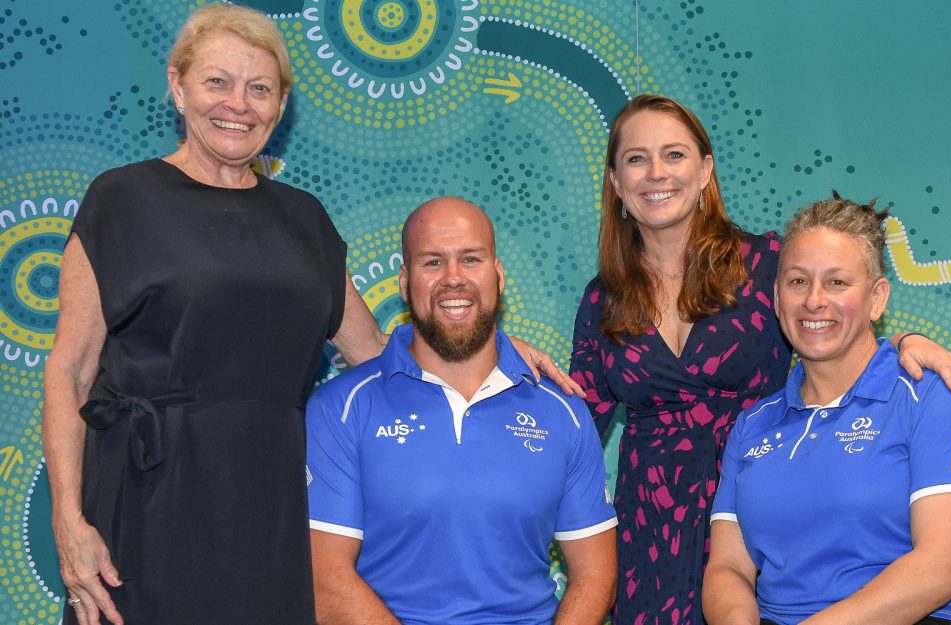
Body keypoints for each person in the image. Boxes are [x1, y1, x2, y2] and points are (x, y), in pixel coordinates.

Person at [42, 6, 575, 625]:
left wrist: (495, 359)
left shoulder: (304, 220)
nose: (238, 104)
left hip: (277, 505)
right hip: (148, 499)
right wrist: (68, 520)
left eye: (260, 88)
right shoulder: (120, 200)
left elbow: (376, 353)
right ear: (178, 85)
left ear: (281, 104)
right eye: (218, 81)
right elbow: (69, 370)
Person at [568, 94, 951, 625]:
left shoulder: (764, 263)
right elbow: (574, 423)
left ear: (705, 171)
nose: (656, 173)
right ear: (617, 182)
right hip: (653, 521)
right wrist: (505, 363)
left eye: (673, 154)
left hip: (770, 506)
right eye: (636, 159)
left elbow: (831, 316)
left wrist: (905, 343)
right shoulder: (603, 298)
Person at [307, 196, 618, 625]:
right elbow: (325, 582)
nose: (454, 279)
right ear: (403, 282)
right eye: (432, 263)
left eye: (471, 259)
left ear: (498, 276)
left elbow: (594, 572)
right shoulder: (340, 408)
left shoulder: (562, 409)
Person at [702, 194, 951, 625]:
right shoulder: (753, 425)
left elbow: (944, 568)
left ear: (877, 299)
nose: (814, 300)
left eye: (837, 282)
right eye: (798, 281)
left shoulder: (934, 395)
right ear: (777, 298)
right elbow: (728, 568)